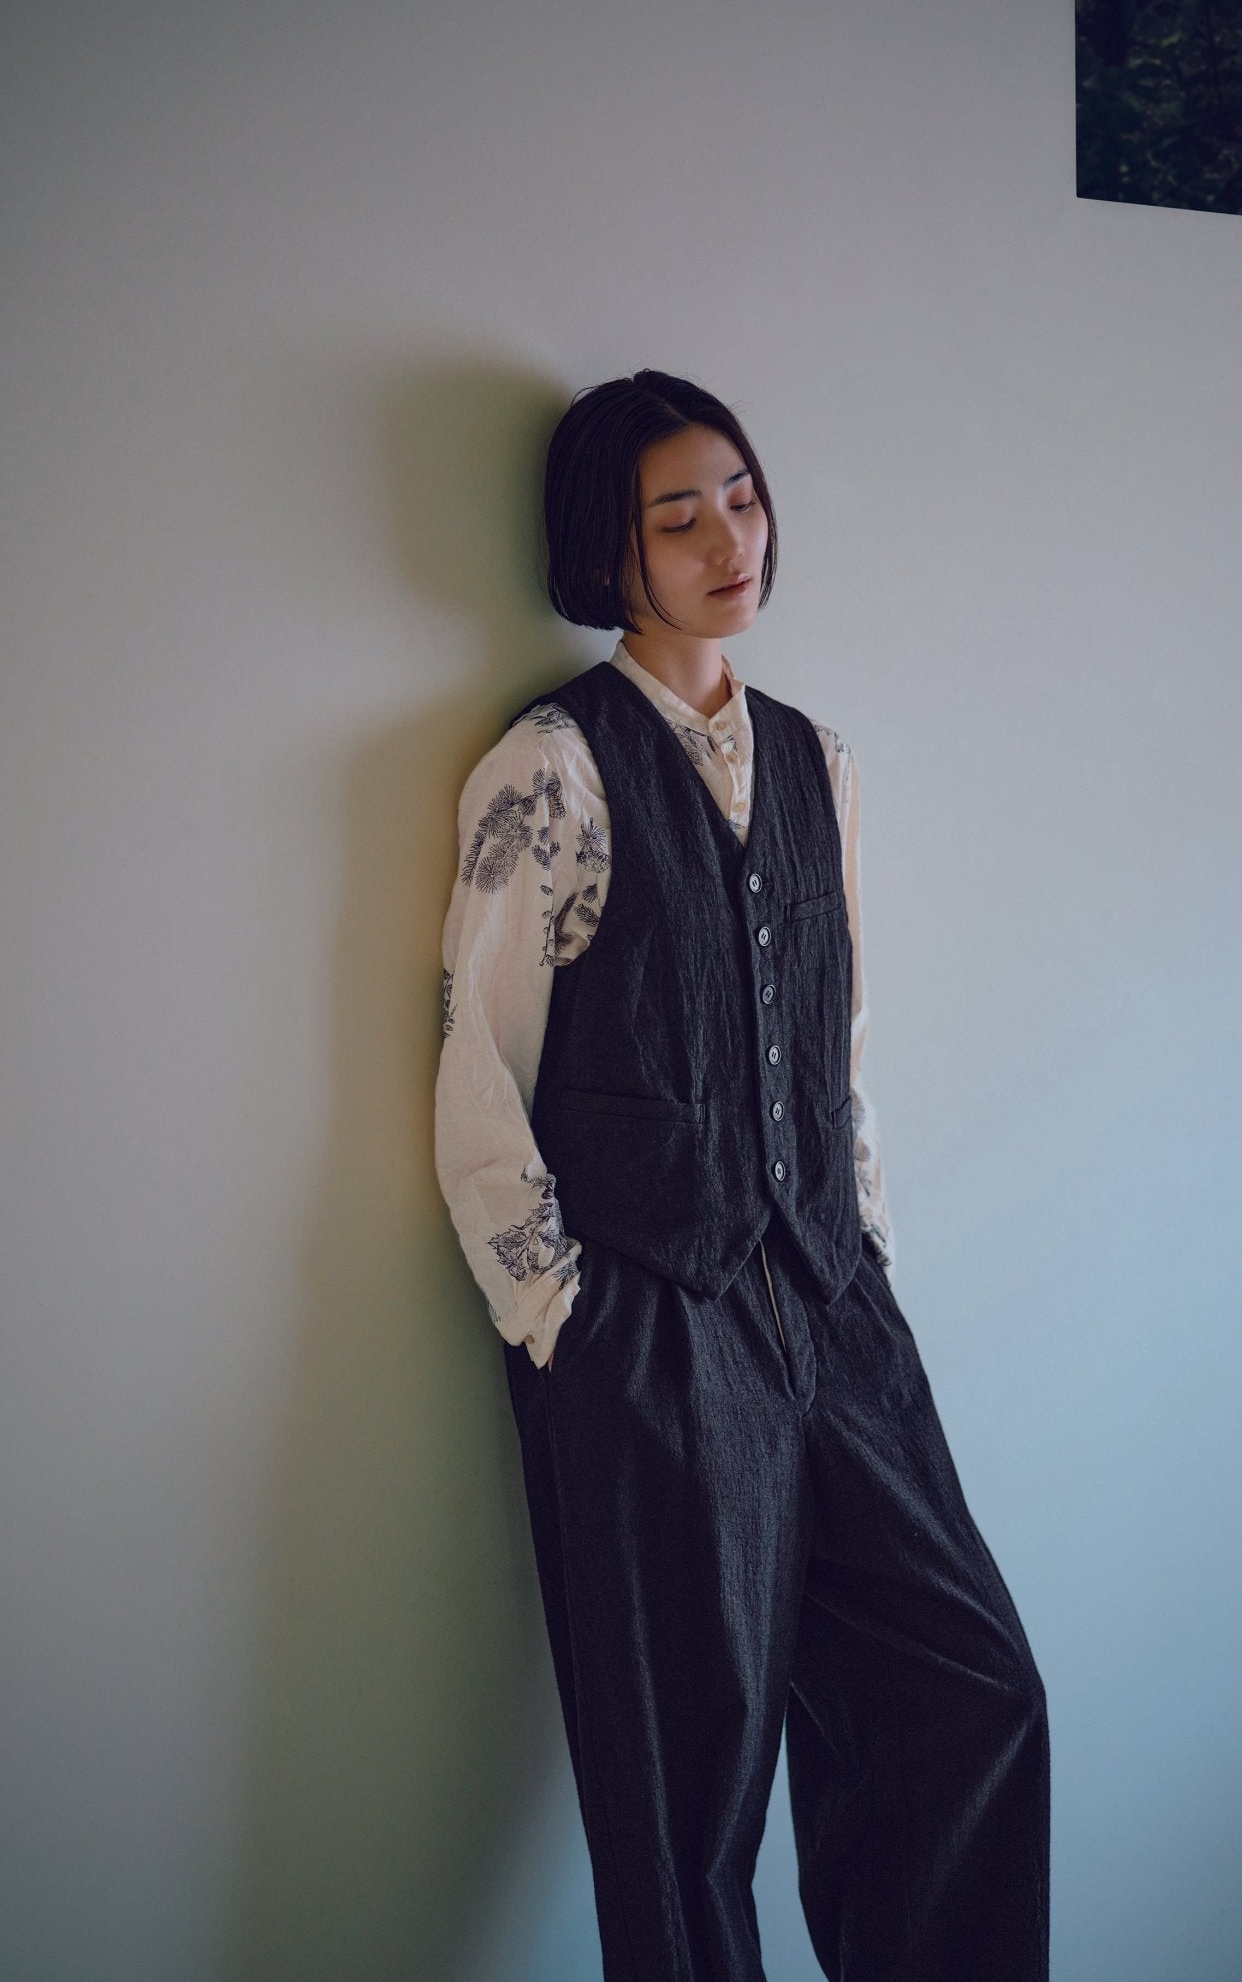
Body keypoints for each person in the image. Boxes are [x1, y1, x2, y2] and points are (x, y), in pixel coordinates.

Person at [434, 369, 1050, 1981]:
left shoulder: (812, 756)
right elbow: (478, 1071)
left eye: (742, 496)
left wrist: (862, 1245)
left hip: (829, 1299)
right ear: (607, 548)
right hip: (649, 1323)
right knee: (688, 1801)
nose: (730, 541)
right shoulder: (551, 770)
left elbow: (831, 1040)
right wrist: (563, 1322)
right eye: (678, 516)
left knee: (968, 1691)